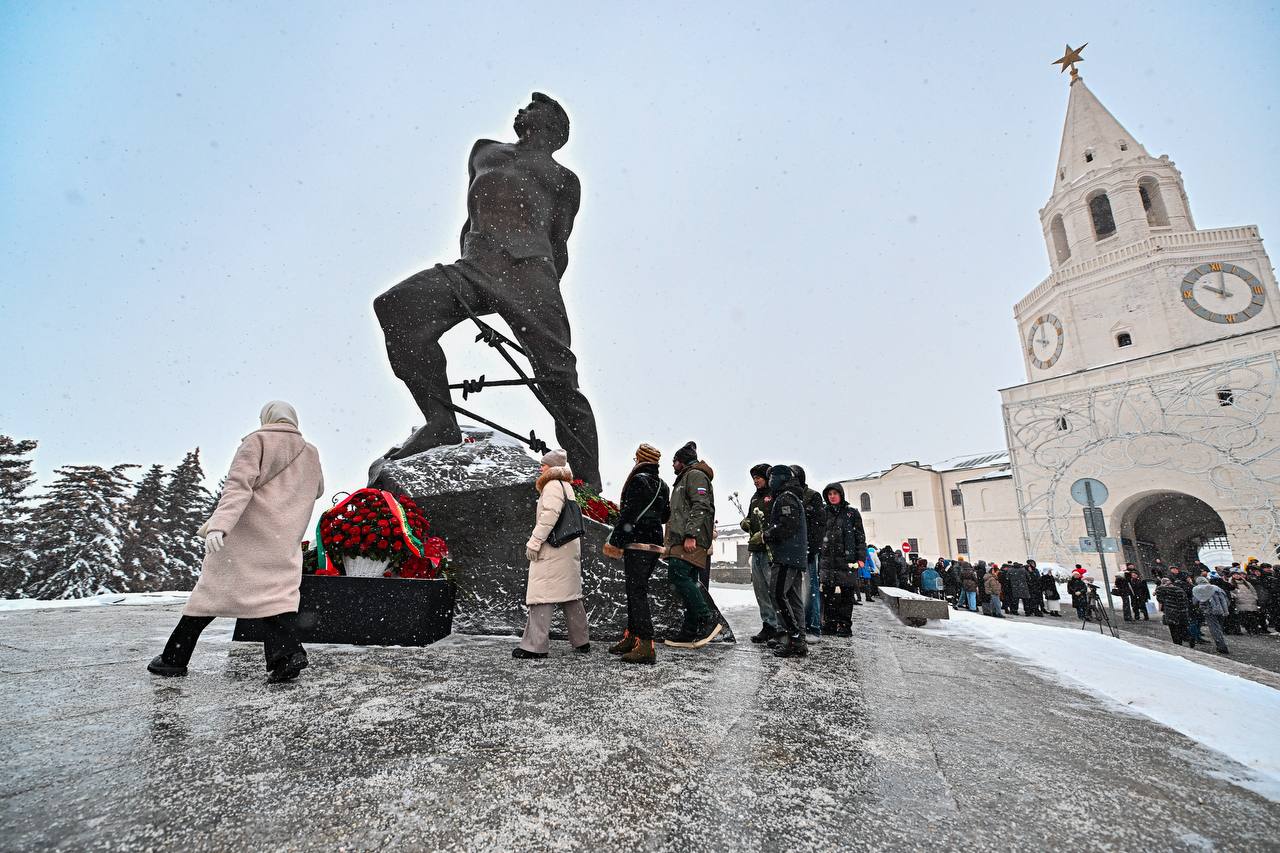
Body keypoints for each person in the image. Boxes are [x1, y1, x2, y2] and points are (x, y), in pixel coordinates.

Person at [373, 93, 602, 489]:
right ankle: (440, 422)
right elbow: (471, 217)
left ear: (553, 125)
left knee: (559, 379)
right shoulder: (484, 151)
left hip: (531, 275)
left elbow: (559, 241)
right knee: (396, 305)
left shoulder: (565, 179)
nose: (523, 109)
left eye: (535, 107)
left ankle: (588, 486)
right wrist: (475, 259)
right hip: (476, 265)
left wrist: (540, 296)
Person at [149, 401, 324, 683]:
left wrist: (219, 526)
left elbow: (237, 487)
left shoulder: (257, 441)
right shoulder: (310, 451)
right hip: (281, 539)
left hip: (246, 538)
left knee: (208, 597)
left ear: (267, 417)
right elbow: (318, 490)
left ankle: (173, 659)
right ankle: (287, 655)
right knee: (275, 598)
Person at [514, 449, 590, 659]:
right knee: (570, 595)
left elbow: (549, 516)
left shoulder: (551, 485)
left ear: (553, 467)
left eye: (544, 464)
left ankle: (534, 646)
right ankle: (581, 640)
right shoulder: (566, 486)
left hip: (552, 548)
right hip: (567, 547)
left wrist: (534, 542)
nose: (541, 468)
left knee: (542, 596)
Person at [604, 443, 670, 665]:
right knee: (636, 589)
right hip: (654, 543)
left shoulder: (638, 480)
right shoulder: (663, 485)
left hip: (637, 542)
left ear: (640, 459)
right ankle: (633, 637)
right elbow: (665, 515)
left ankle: (645, 644)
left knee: (636, 592)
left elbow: (629, 514)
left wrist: (615, 542)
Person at [663, 442, 722, 648]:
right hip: (681, 539)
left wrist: (691, 535)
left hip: (688, 540)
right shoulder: (685, 477)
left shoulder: (695, 475)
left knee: (678, 575)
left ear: (682, 461)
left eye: (674, 461)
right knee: (688, 581)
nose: (672, 465)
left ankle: (707, 620)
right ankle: (689, 631)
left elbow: (701, 505)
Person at [763, 465, 808, 658]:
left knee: (777, 595)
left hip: (786, 556)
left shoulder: (785, 498)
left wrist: (767, 534)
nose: (769, 482)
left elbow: (787, 525)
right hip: (795, 556)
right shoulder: (793, 496)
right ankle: (799, 639)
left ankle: (794, 636)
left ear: (778, 478)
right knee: (793, 597)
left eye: (771, 478)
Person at [818, 483, 866, 637]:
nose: (832, 496)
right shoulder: (823, 512)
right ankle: (830, 624)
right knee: (828, 594)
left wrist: (861, 557)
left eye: (835, 493)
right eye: (829, 494)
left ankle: (845, 625)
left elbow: (860, 537)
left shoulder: (851, 513)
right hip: (827, 561)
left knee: (846, 594)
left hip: (847, 560)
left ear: (841, 494)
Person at [740, 463, 779, 643]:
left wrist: (766, 535)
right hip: (756, 549)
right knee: (760, 590)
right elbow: (751, 517)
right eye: (754, 478)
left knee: (774, 590)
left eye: (759, 478)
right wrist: (746, 523)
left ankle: (780, 626)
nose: (756, 481)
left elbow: (779, 523)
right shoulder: (755, 498)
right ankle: (768, 624)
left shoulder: (775, 495)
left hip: (770, 550)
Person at [792, 465, 826, 639]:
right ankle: (799, 625)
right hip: (794, 550)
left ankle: (813, 627)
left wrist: (813, 548)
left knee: (810, 589)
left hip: (807, 550)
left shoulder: (812, 496)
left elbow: (819, 525)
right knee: (797, 590)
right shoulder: (790, 496)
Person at [1191, 577, 1231, 655]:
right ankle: (1221, 644)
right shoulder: (1216, 588)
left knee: (1214, 629)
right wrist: (1226, 610)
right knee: (1219, 628)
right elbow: (1224, 600)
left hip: (1209, 611)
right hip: (1221, 611)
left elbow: (1195, 601)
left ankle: (1222, 647)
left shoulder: (1198, 589)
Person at [1155, 578, 1195, 648]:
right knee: (1183, 628)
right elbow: (1186, 600)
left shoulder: (1163, 590)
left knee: (1173, 629)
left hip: (1171, 612)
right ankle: (1189, 638)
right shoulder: (1180, 589)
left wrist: (1158, 590)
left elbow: (1160, 600)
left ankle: (1178, 644)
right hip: (1182, 612)